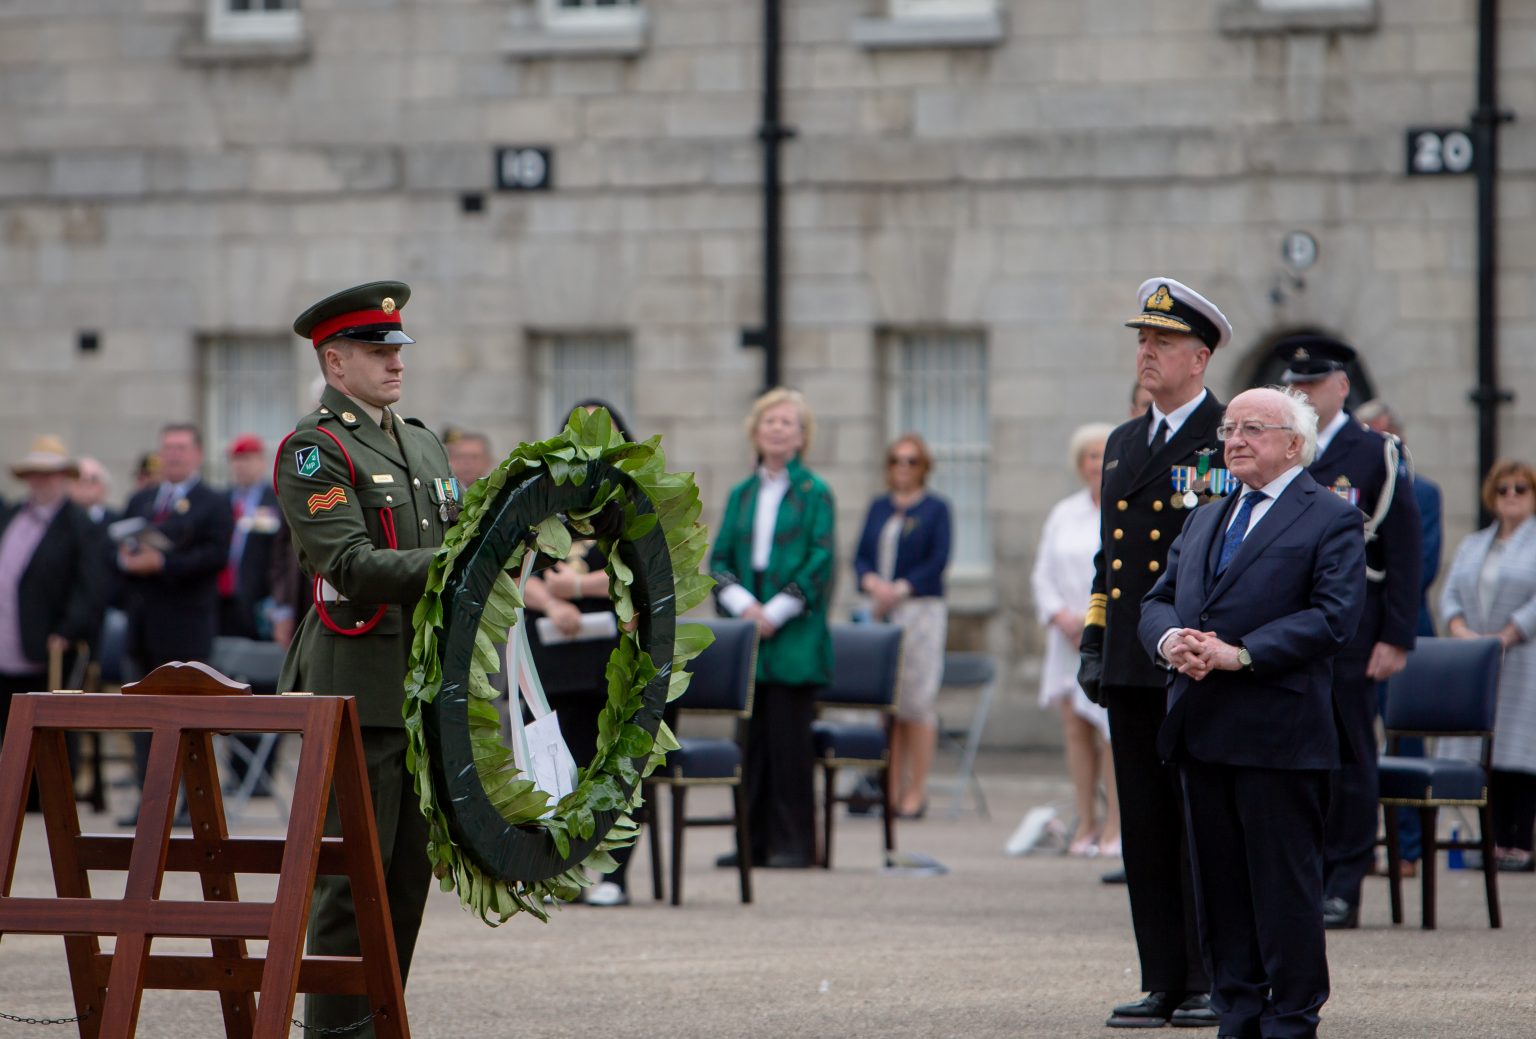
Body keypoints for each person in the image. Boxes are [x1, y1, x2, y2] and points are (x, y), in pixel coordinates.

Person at [1140, 386, 1366, 1039]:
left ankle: (1291, 1015)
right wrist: (1169, 639)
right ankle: (1236, 1009)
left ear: (1293, 443)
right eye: (1230, 428)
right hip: (1202, 728)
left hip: (1279, 732)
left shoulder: (1330, 516)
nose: (1234, 440)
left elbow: (1333, 617)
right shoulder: (1206, 516)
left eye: (1253, 429)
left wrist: (1241, 654)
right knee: (1219, 887)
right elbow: (1158, 597)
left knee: (1283, 886)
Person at [276, 281, 458, 1036]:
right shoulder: (316, 450)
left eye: (397, 350)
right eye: (377, 352)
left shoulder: (419, 440)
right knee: (353, 887)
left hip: (419, 687)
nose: (394, 364)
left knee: (407, 881)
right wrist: (461, 562)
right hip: (354, 688)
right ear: (334, 360)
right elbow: (349, 562)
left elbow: (448, 539)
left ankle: (381, 1022)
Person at [1078, 277, 1230, 1029]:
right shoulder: (1123, 442)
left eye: (1163, 342)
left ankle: (1208, 974)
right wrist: (1096, 636)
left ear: (1198, 357)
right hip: (1133, 660)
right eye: (1143, 340)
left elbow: (1212, 558)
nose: (1147, 352)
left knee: (1192, 822)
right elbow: (1109, 559)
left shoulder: (1222, 438)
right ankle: (1161, 974)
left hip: (1188, 657)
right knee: (1141, 822)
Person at [1275, 335, 1422, 929]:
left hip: (1354, 624)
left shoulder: (1374, 453)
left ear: (1342, 387)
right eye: (1296, 386)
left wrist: (1397, 635)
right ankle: (1302, 878)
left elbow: (1405, 550)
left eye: (1314, 385)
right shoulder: (1282, 448)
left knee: (1350, 757)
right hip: (1287, 622)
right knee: (1295, 757)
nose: (1304, 394)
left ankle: (1342, 885)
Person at [710, 388, 835, 869]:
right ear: (756, 431)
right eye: (771, 421)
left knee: (788, 742)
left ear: (803, 437)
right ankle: (750, 841)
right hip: (749, 629)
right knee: (752, 742)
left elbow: (820, 560)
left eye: (789, 423)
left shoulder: (816, 493)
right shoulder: (742, 494)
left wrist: (775, 612)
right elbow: (719, 559)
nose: (779, 429)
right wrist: (744, 607)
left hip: (794, 633)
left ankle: (794, 843)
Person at [518, 400, 638, 906]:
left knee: (605, 762)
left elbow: (647, 569)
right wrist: (549, 599)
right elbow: (512, 567)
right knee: (548, 763)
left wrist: (581, 587)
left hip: (606, 652)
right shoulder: (542, 492)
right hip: (546, 654)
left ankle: (610, 874)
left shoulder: (632, 493)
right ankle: (551, 869)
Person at [117, 423, 234, 824]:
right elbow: (116, 550)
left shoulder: (213, 502)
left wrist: (164, 563)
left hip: (186, 628)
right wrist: (129, 560)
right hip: (143, 626)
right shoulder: (142, 499)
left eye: (182, 448)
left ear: (198, 454)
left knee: (186, 720)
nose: (174, 455)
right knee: (142, 721)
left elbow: (216, 556)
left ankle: (188, 802)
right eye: (168, 448)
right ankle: (148, 800)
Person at [0, 437, 110, 809]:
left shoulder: (79, 524)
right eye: (35, 475)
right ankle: (12, 792)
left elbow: (92, 584)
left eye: (48, 475)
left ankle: (44, 796)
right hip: (8, 637)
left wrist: (68, 628)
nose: (40, 482)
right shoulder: (14, 515)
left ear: (63, 477)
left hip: (50, 644)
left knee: (48, 724)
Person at [1356, 397, 1442, 876]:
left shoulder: (1421, 491)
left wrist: (1391, 628)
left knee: (1402, 737)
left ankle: (1407, 848)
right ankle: (1361, 844)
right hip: (1355, 629)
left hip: (1399, 628)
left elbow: (1419, 564)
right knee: (1353, 743)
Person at [1440, 459, 1536, 873]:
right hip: (1478, 659)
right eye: (1503, 489)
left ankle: (1520, 843)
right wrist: (1462, 633)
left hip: (1522, 656)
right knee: (1486, 750)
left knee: (1521, 750)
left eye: (1520, 489)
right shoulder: (1475, 543)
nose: (1511, 496)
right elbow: (1450, 594)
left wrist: (1508, 635)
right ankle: (1491, 841)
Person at [853, 433, 952, 820]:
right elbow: (861, 556)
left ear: (923, 466)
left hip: (919, 610)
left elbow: (938, 559)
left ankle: (916, 790)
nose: (903, 468)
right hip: (879, 609)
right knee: (885, 704)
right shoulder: (879, 507)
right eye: (896, 460)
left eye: (911, 461)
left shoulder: (936, 509)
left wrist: (901, 587)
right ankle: (888, 790)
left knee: (916, 702)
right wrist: (872, 583)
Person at [1032, 423, 1119, 857]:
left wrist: (1089, 621)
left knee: (1108, 732)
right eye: (1089, 456)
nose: (1096, 464)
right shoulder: (1063, 512)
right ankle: (1086, 821)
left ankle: (1114, 830)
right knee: (1075, 729)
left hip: (1103, 634)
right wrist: (1058, 615)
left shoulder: (1121, 509)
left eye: (1103, 455)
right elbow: (1042, 574)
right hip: (1065, 637)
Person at [218, 434, 284, 640]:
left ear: (262, 462)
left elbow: (279, 552)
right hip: (222, 596)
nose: (240, 466)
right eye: (236, 460)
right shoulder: (222, 501)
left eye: (247, 459)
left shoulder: (275, 501)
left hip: (258, 597)